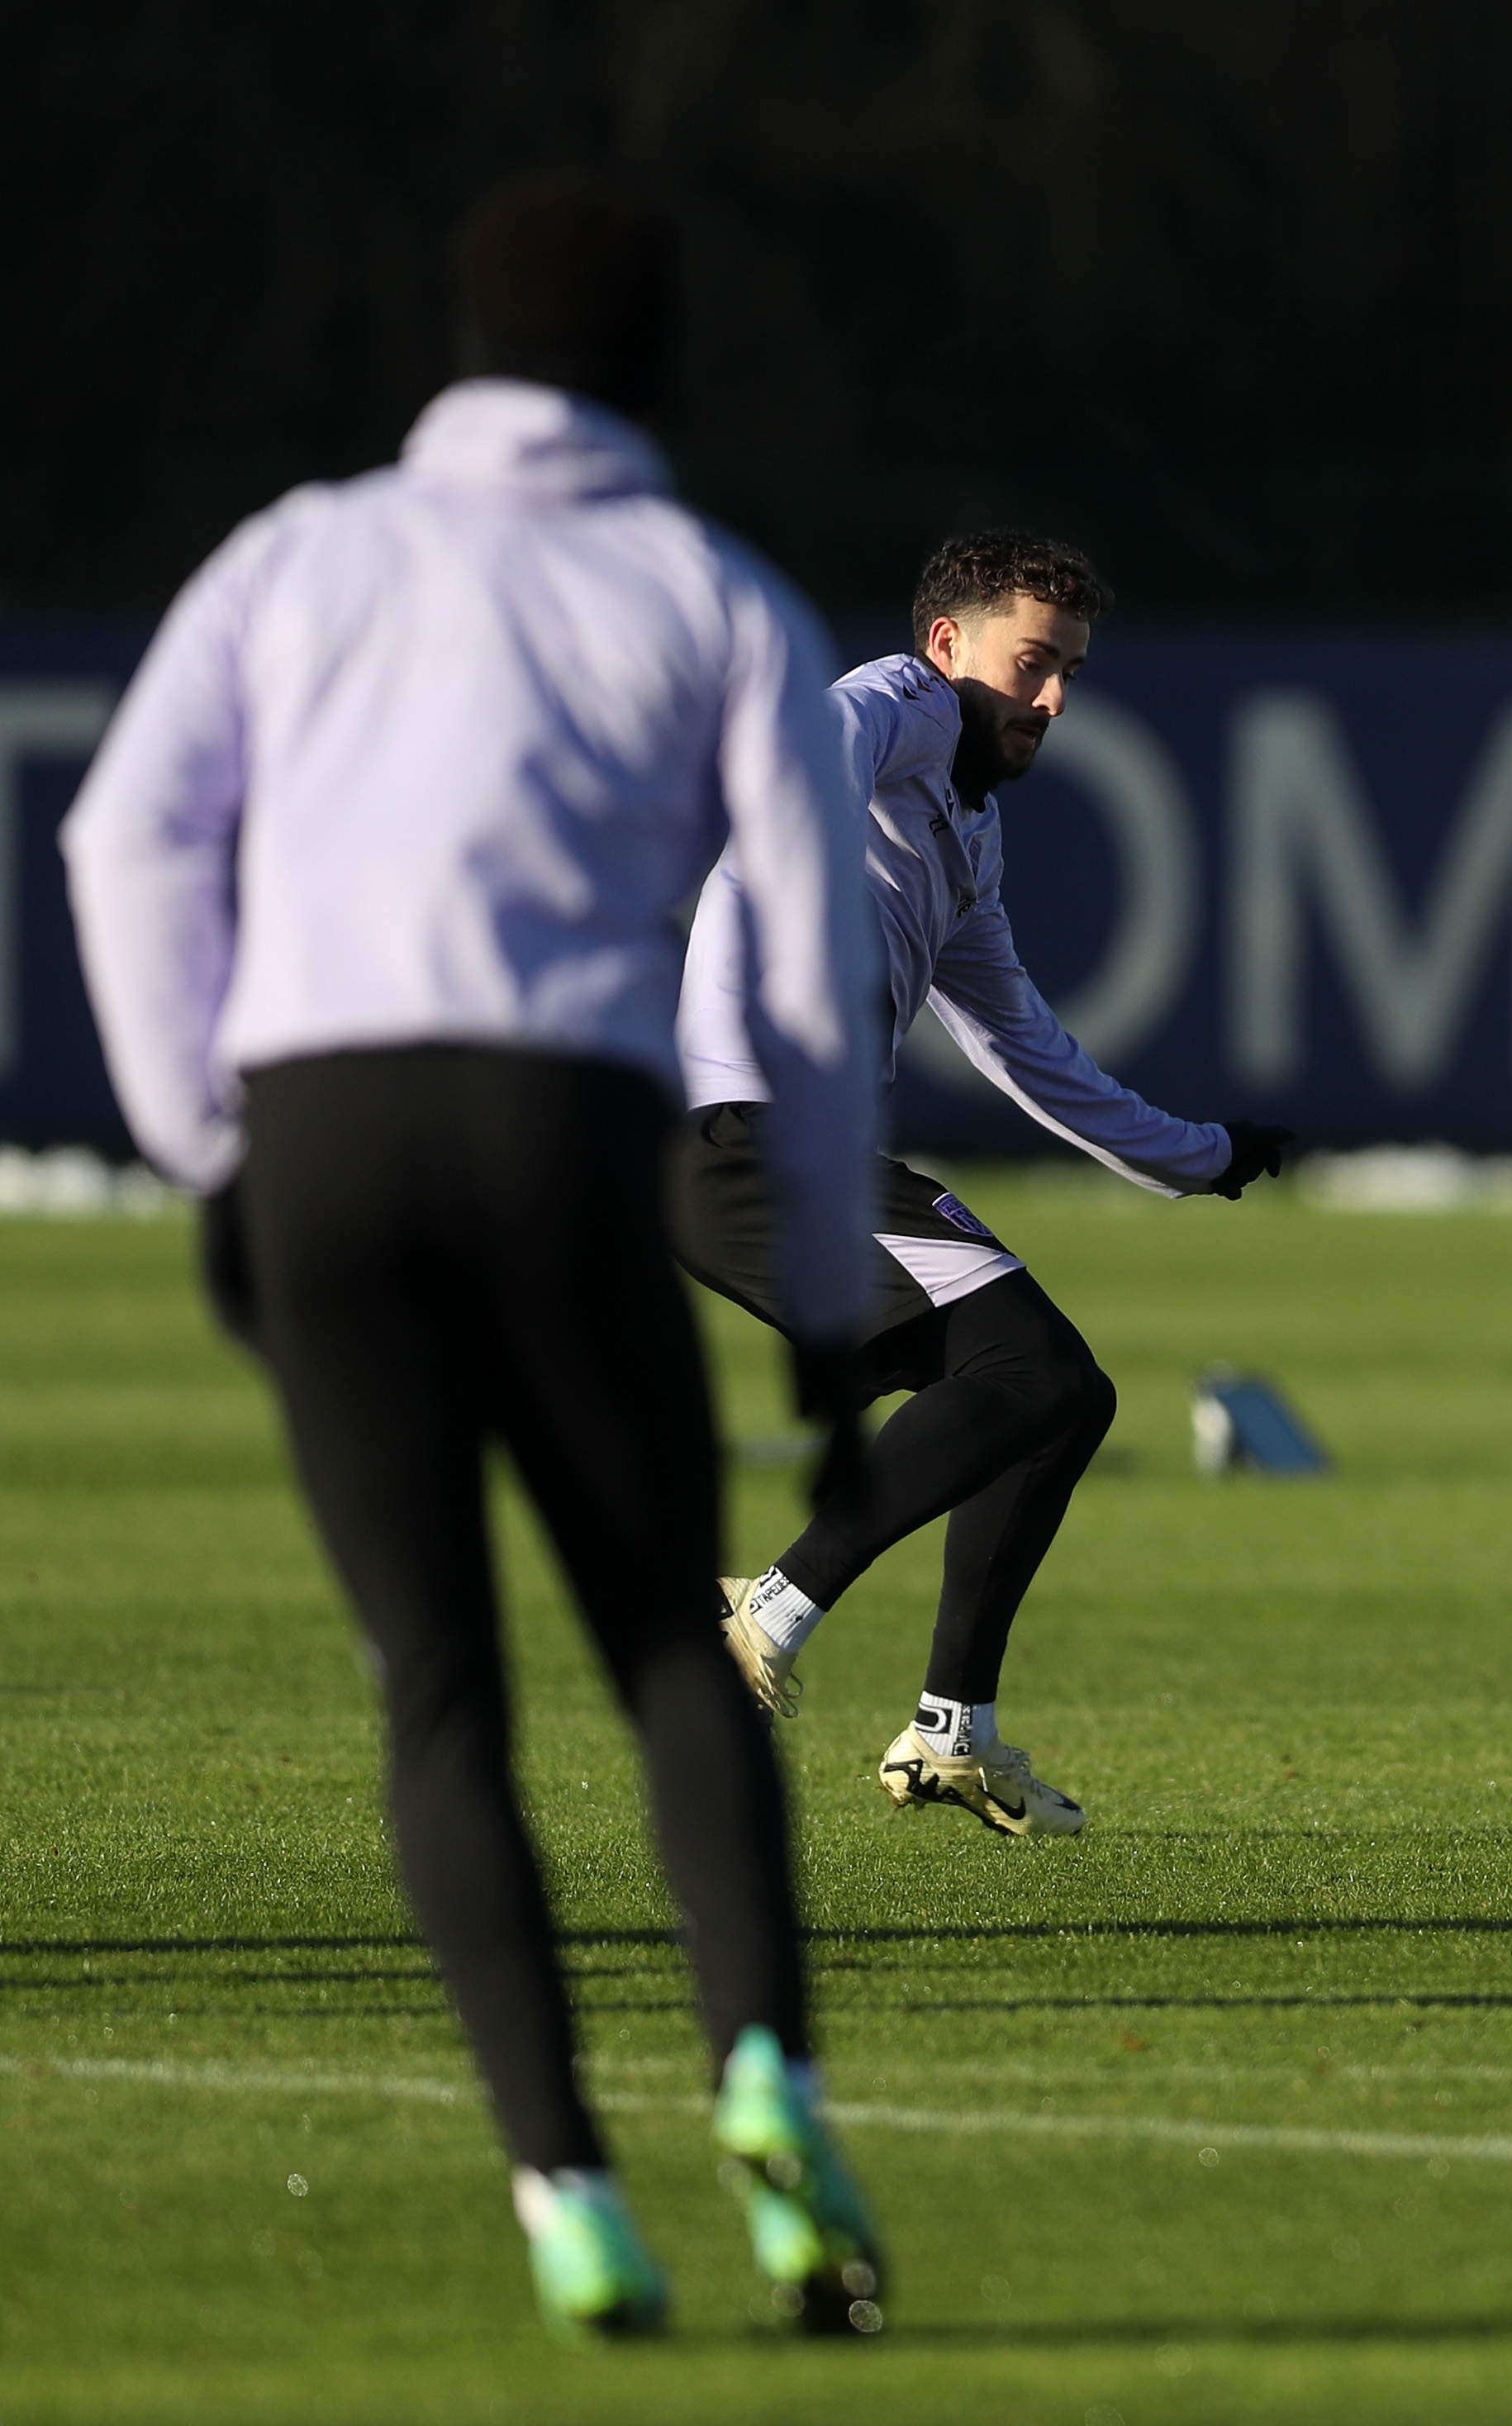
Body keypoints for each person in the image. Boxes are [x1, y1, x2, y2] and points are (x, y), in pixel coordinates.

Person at [64, 177, 890, 2339]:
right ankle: (768, 2088)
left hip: (321, 1133)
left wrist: (207, 1141)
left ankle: (561, 2193)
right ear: (661, 361)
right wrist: (817, 1290)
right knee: (650, 1652)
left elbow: (121, 830)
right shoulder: (711, 591)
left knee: (441, 1694)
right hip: (558, 1126)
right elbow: (804, 982)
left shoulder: (300, 549)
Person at [671, 530, 1293, 1838]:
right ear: (948, 647)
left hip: (790, 1154)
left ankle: (955, 1731)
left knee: (1058, 1402)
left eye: (1068, 671)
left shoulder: (968, 837)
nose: (1052, 699)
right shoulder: (892, 704)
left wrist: (1201, 1157)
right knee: (1041, 1376)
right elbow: (807, 762)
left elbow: (1026, 1054)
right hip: (744, 1136)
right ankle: (762, 1612)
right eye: (1031, 664)